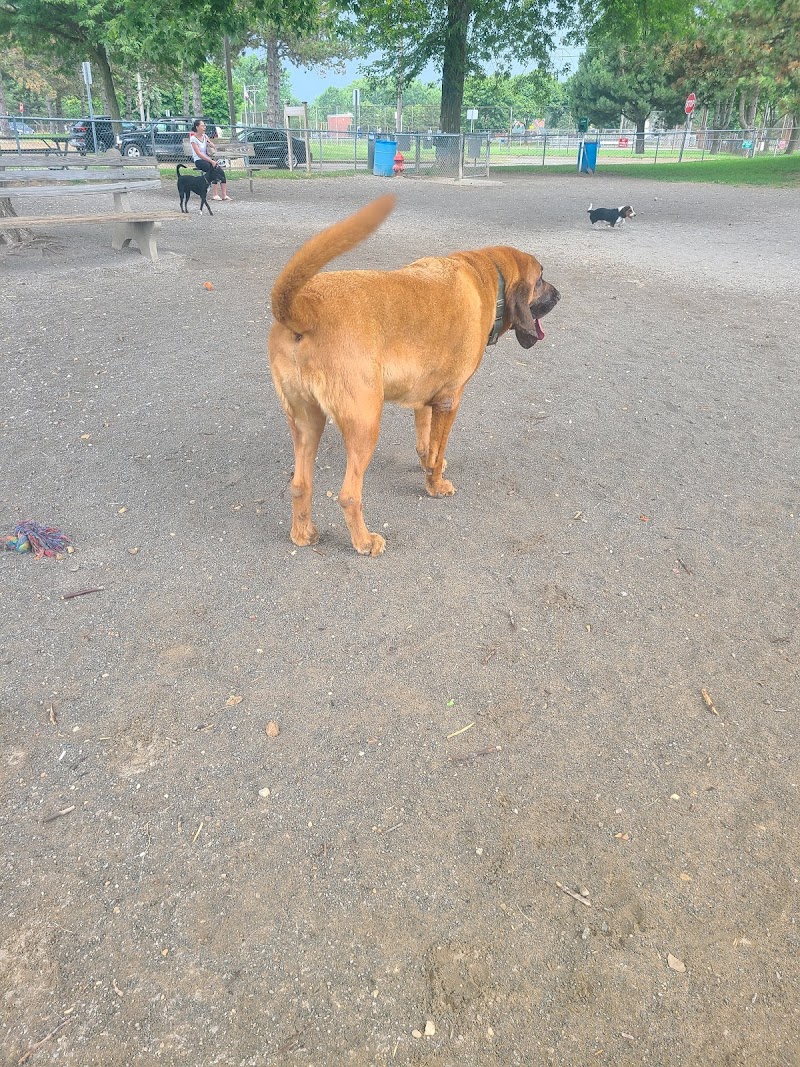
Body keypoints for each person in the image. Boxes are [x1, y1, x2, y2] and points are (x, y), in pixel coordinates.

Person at [189, 118, 231, 201]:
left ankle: (224, 195)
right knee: (213, 171)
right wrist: (211, 161)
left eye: (204, 126)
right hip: (199, 161)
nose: (204, 127)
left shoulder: (205, 136)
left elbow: (212, 146)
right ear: (197, 127)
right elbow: (199, 154)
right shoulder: (193, 138)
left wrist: (210, 144)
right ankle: (215, 195)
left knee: (221, 172)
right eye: (202, 126)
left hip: (208, 159)